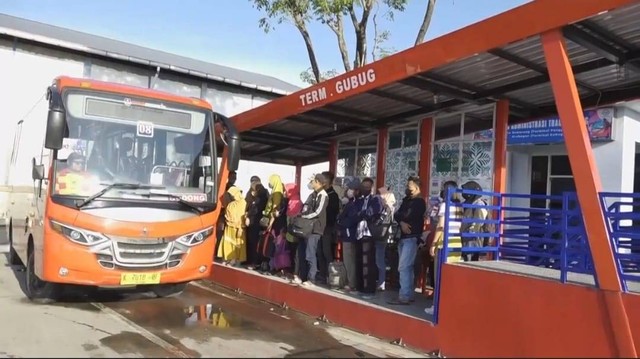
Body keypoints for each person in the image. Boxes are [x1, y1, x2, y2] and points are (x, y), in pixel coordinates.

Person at [389, 176, 427, 305]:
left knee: (404, 266)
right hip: (402, 236)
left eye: (409, 187)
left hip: (412, 236)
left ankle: (404, 295)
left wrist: (402, 220)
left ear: (416, 188)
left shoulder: (419, 202)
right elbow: (397, 214)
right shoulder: (406, 200)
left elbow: (407, 215)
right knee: (407, 267)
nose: (407, 189)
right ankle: (408, 294)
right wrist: (402, 222)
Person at [296, 174, 329, 287]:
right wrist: (301, 214)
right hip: (307, 228)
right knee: (303, 252)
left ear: (318, 182)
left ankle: (312, 278)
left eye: (313, 181)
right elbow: (305, 207)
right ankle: (303, 277)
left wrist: (305, 217)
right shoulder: (312, 194)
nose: (311, 183)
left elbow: (318, 212)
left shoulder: (323, 195)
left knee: (310, 253)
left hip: (316, 228)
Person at [429, 181, 464, 287]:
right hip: (456, 241)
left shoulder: (445, 205)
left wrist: (433, 244)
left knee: (439, 274)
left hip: (444, 241)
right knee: (451, 274)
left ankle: (437, 302)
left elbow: (441, 225)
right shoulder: (460, 206)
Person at [355, 177, 384, 297]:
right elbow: (354, 212)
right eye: (363, 186)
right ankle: (360, 287)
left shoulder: (375, 199)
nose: (365, 188)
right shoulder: (359, 200)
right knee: (359, 260)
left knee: (368, 262)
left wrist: (363, 214)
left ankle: (369, 289)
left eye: (367, 186)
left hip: (369, 233)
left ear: (371, 187)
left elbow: (373, 211)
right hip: (359, 232)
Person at [335, 177, 360, 292]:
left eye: (350, 188)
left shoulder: (355, 203)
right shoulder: (350, 202)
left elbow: (351, 219)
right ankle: (350, 281)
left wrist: (341, 221)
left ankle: (352, 283)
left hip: (351, 235)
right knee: (349, 260)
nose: (348, 190)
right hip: (348, 234)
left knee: (350, 260)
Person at [318, 170, 340, 284]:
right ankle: (321, 274)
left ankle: (329, 274)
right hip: (319, 227)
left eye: (323, 179)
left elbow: (332, 213)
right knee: (319, 251)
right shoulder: (320, 193)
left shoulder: (333, 195)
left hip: (327, 227)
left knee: (327, 251)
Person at [217, 186, 247, 266]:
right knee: (229, 243)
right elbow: (227, 215)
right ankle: (228, 258)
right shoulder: (232, 204)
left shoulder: (243, 203)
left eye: (233, 194)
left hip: (238, 228)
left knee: (237, 244)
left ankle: (235, 260)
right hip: (231, 227)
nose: (232, 196)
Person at [245, 176, 269, 269]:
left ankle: (255, 262)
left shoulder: (263, 193)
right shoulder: (250, 192)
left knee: (255, 242)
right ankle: (250, 260)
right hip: (251, 222)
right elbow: (247, 204)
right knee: (250, 241)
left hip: (257, 221)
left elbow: (257, 208)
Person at [375, 187, 397, 292]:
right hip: (382, 235)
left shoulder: (387, 208)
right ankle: (380, 281)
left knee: (380, 260)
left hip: (382, 236)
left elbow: (382, 222)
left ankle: (381, 282)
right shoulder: (388, 207)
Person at [215, 170, 237, 261]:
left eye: (235, 178)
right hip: (222, 214)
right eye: (232, 177)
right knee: (220, 233)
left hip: (230, 215)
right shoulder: (224, 187)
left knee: (226, 235)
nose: (234, 179)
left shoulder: (235, 189)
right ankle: (217, 252)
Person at [284, 183, 303, 280]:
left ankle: (295, 272)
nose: (286, 192)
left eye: (287, 190)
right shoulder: (290, 201)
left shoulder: (296, 201)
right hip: (290, 231)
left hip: (294, 231)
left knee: (295, 252)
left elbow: (294, 216)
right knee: (291, 251)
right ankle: (291, 270)